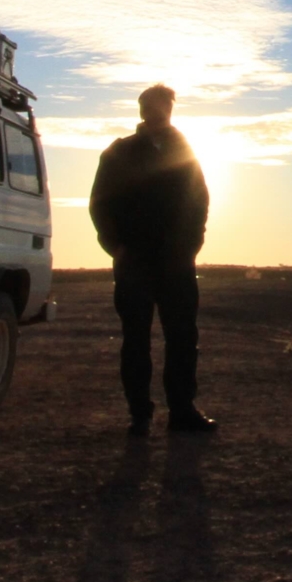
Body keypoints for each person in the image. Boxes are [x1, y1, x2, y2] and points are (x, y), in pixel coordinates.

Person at [89, 83, 215, 435]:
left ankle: (182, 410)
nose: (158, 112)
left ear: (170, 110)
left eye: (164, 106)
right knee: (136, 339)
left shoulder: (185, 150)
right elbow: (100, 204)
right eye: (152, 106)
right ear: (142, 110)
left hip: (177, 262)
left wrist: (191, 245)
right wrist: (118, 248)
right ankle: (140, 415)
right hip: (135, 264)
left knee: (182, 337)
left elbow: (199, 201)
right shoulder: (119, 152)